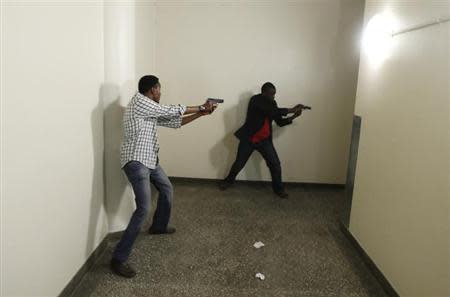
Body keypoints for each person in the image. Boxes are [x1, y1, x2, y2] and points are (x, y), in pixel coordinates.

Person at [111, 75, 217, 278]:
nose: (161, 92)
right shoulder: (141, 102)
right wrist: (200, 106)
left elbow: (174, 121)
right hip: (136, 160)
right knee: (143, 208)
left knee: (167, 189)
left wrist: (201, 115)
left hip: (149, 159)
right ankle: (118, 259)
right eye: (160, 89)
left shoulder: (149, 108)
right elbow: (169, 110)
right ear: (152, 89)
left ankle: (158, 226)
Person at [219, 82, 304, 198]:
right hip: (249, 139)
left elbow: (279, 122)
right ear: (263, 92)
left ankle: (279, 190)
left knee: (275, 164)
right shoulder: (255, 100)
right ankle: (228, 181)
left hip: (264, 141)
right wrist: (291, 109)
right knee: (239, 163)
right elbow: (270, 111)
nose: (273, 97)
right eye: (271, 94)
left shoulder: (273, 103)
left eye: (274, 94)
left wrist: (294, 116)